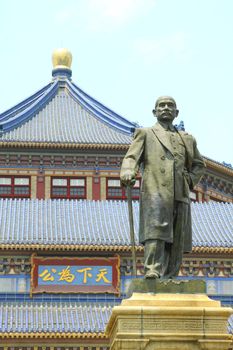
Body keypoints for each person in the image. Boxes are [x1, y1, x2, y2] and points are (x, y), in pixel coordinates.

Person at [120, 96, 205, 279]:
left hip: (180, 191)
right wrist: (128, 171)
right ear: (154, 112)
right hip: (155, 189)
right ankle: (153, 269)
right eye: (161, 105)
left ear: (176, 113)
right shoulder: (145, 133)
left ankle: (171, 274)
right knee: (156, 230)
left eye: (170, 106)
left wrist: (189, 180)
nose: (166, 108)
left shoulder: (187, 139)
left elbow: (199, 164)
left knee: (177, 233)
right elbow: (131, 157)